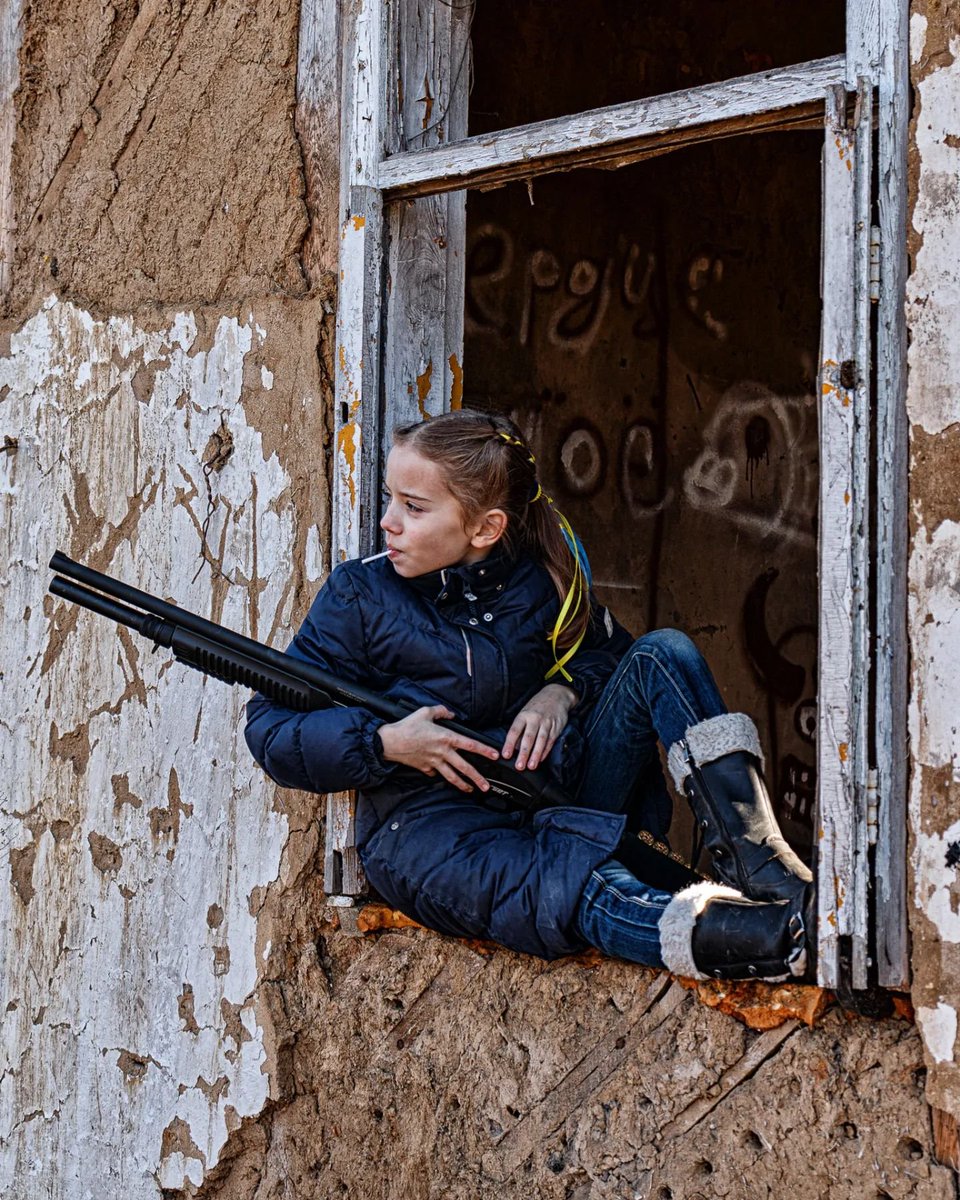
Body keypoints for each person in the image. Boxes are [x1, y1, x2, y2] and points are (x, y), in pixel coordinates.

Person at [245, 411, 813, 982]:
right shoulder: (359, 595)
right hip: (432, 832)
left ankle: (767, 871)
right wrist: (385, 743)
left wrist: (561, 691)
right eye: (391, 499)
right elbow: (270, 727)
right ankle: (769, 942)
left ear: (485, 528)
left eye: (414, 507)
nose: (388, 523)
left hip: (556, 789)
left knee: (665, 654)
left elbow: (610, 655)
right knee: (572, 884)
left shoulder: (538, 578)